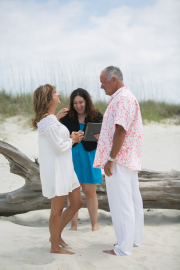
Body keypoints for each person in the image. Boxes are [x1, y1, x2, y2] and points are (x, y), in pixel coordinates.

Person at [93, 66, 144, 256]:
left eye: (103, 82)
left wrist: (111, 159)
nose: (101, 86)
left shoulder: (122, 99)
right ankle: (133, 240)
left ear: (114, 80)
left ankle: (123, 248)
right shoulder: (125, 97)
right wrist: (104, 138)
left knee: (121, 204)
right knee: (132, 201)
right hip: (127, 158)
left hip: (120, 160)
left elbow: (121, 131)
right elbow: (118, 131)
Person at [32, 84, 83, 255]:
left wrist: (71, 137)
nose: (58, 94)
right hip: (57, 170)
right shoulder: (47, 120)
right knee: (57, 210)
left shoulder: (52, 119)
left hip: (66, 167)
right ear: (48, 99)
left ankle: (55, 235)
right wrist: (73, 140)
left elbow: (59, 143)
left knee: (77, 203)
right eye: (55, 93)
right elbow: (58, 148)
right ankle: (55, 246)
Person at [58, 88, 103, 231]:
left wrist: (100, 137)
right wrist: (57, 117)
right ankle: (74, 225)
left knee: (90, 192)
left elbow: (107, 135)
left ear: (86, 101)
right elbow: (53, 130)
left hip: (90, 156)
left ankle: (94, 225)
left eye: (81, 102)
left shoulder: (97, 116)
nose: (78, 106)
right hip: (72, 157)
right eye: (75, 103)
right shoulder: (67, 117)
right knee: (72, 195)